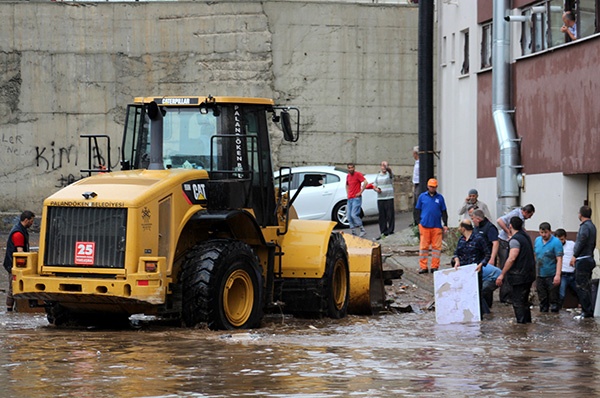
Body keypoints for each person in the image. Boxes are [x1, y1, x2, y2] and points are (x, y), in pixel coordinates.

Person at [496, 217, 536, 324]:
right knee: (524, 301)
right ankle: (527, 324)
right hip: (529, 274)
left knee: (518, 302)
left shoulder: (515, 240)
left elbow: (512, 258)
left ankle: (521, 326)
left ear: (510, 226)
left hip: (519, 276)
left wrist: (502, 274)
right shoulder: (526, 237)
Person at [452, 218, 491, 315]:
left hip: (475, 271)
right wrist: (456, 260)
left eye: (460, 226)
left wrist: (481, 265)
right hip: (463, 271)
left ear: (463, 228)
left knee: (477, 294)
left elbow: (487, 254)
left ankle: (483, 314)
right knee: (464, 294)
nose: (458, 228)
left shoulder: (478, 239)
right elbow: (456, 253)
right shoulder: (461, 240)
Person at [3, 210, 35, 312]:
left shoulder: (20, 230)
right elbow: (20, 252)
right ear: (26, 220)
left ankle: (14, 309)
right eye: (31, 221)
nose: (32, 223)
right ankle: (10, 310)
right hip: (13, 265)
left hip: (12, 264)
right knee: (13, 288)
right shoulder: (18, 234)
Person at [415, 178, 448, 274]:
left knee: (436, 249)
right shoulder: (422, 197)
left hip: (436, 226)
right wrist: (418, 222)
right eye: (431, 186)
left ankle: (434, 266)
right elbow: (417, 210)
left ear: (436, 187)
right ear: (427, 186)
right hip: (424, 225)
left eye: (434, 187)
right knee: (424, 247)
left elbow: (444, 212)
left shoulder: (440, 198)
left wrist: (445, 224)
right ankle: (423, 267)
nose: (432, 188)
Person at [572, 205, 597, 320]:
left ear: (580, 214)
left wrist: (574, 256)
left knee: (581, 286)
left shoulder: (585, 227)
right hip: (588, 258)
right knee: (586, 286)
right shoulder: (592, 226)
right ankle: (588, 310)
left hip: (583, 260)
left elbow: (582, 240)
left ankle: (586, 312)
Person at [473, 208, 500, 308]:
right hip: (478, 258)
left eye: (473, 219)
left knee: (487, 282)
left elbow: (495, 243)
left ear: (478, 219)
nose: (473, 221)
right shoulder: (476, 227)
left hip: (488, 258)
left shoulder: (490, 228)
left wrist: (492, 258)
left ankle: (488, 305)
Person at [533, 222, 563, 313]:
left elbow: (559, 259)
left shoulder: (556, 242)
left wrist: (558, 275)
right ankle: (543, 318)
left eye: (545, 232)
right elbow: (535, 255)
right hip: (540, 273)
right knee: (542, 299)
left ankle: (554, 320)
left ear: (550, 231)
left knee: (554, 299)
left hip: (551, 274)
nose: (544, 235)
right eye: (541, 232)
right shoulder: (537, 240)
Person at [372, 161, 395, 239]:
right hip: (381, 197)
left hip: (389, 197)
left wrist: (388, 168)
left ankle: (390, 230)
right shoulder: (378, 175)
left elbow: (391, 174)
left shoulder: (389, 174)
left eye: (385, 165)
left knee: (390, 214)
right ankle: (383, 231)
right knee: (382, 215)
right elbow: (374, 185)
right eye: (382, 165)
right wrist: (376, 189)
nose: (384, 167)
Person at [554, 228, 576, 308]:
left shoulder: (571, 244)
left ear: (565, 238)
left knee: (579, 290)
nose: (560, 242)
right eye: (558, 240)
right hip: (562, 274)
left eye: (562, 239)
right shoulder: (554, 246)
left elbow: (577, 253)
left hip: (572, 273)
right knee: (561, 294)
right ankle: (559, 309)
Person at [346, 163, 367, 237]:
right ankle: (353, 231)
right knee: (348, 216)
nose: (350, 169)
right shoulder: (348, 176)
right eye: (349, 168)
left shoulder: (358, 174)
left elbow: (365, 182)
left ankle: (362, 229)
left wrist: (360, 192)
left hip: (356, 198)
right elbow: (347, 184)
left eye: (352, 167)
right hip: (350, 198)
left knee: (354, 215)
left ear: (354, 168)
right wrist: (348, 193)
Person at [412, 146, 420, 226]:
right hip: (416, 183)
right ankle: (415, 220)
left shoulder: (420, 163)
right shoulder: (417, 162)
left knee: (417, 202)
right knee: (415, 203)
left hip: (419, 183)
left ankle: (418, 221)